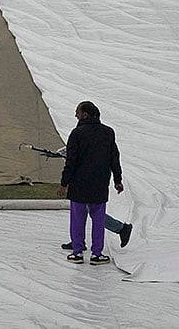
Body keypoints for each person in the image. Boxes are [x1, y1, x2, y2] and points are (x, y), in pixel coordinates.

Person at [57, 101, 124, 265]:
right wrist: (117, 180)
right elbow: (114, 158)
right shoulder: (108, 132)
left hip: (79, 184)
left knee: (77, 219)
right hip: (99, 184)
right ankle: (97, 254)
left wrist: (64, 183)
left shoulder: (76, 133)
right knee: (98, 219)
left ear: (85, 114)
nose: (75, 115)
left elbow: (71, 161)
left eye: (77, 112)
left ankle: (77, 253)